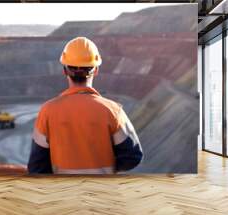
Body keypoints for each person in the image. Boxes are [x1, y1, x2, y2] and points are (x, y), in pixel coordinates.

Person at [28, 36, 143, 174]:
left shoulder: (47, 111)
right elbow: (132, 157)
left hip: (63, 193)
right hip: (102, 192)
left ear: (65, 71)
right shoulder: (112, 111)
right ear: (95, 71)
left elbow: (36, 166)